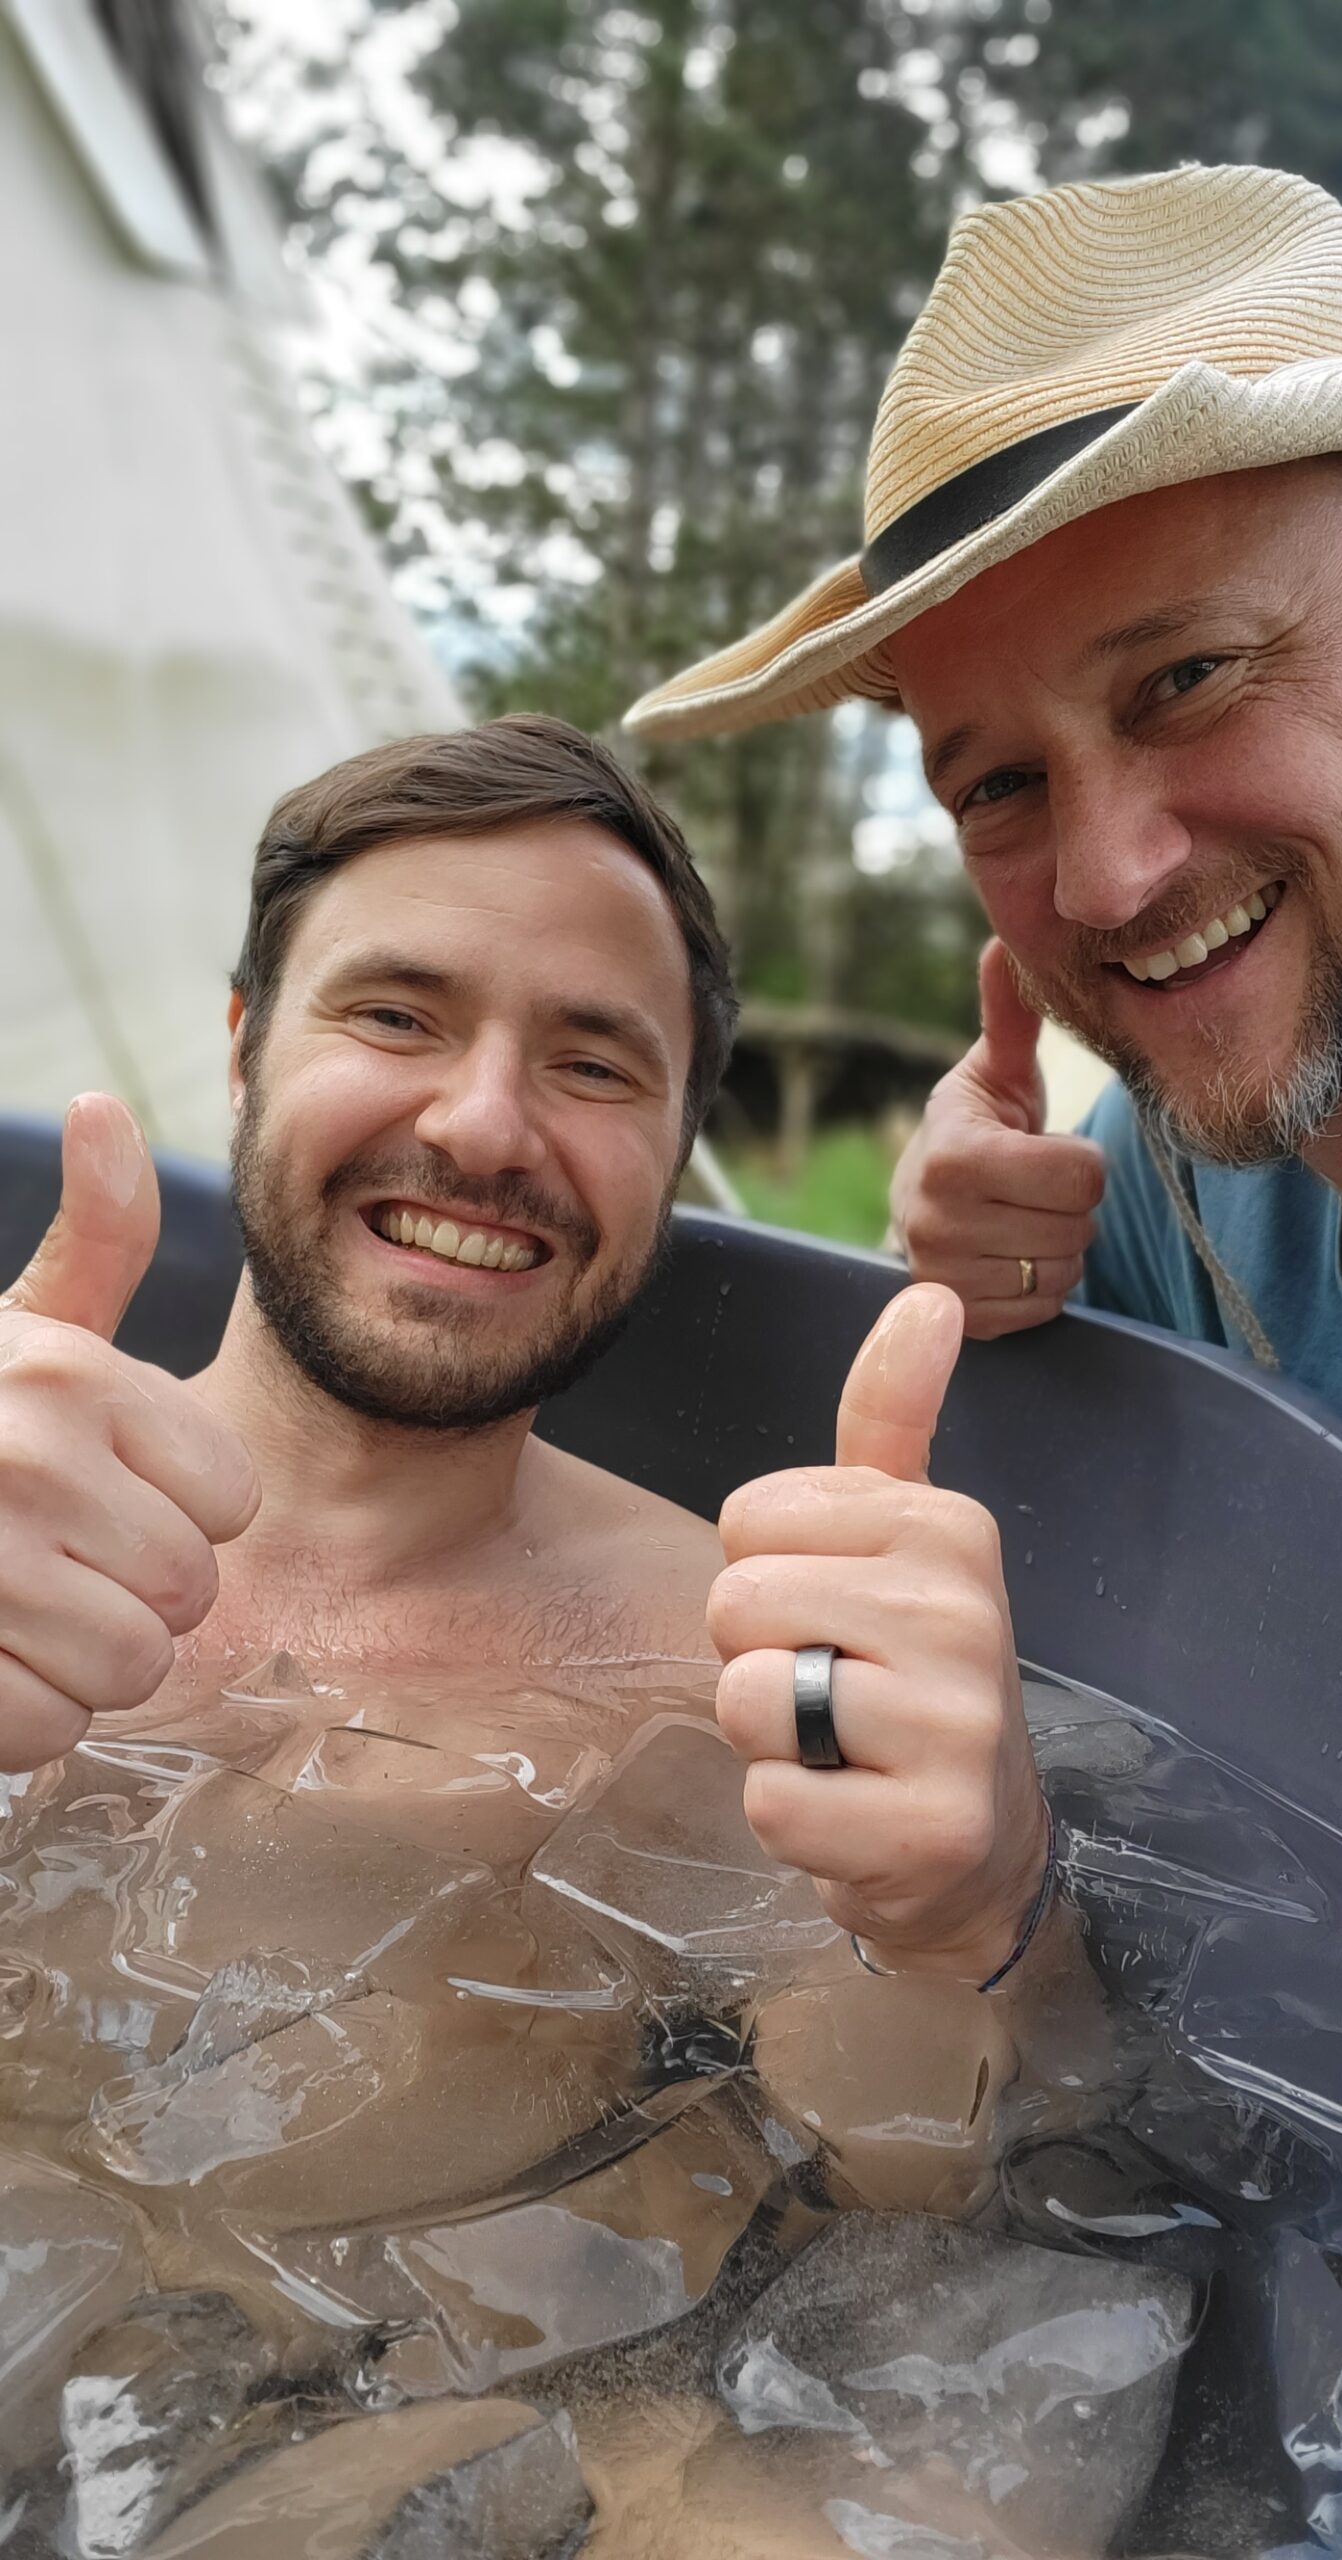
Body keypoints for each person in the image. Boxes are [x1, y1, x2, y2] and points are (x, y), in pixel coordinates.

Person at [0, 714, 1051, 1988]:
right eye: (395, 1016)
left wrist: (966, 1921)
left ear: (674, 1149)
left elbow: (901, 2165)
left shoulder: (743, 1674)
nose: (487, 1126)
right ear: (243, 1054)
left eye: (593, 1065)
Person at [622, 162, 1342, 1468]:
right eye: (998, 786)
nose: (1108, 882)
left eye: (1186, 679)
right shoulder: (1169, 1182)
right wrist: (966, 1279)